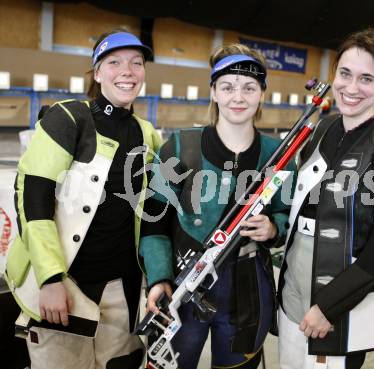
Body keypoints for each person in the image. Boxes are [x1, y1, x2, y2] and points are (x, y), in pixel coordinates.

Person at [5, 30, 162, 369]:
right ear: (98, 72)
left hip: (123, 290)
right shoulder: (69, 118)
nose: (128, 71)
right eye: (115, 62)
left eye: (137, 63)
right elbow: (32, 198)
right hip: (66, 286)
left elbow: (156, 209)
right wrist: (50, 278)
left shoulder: (147, 133)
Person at [278, 29, 374, 369]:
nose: (351, 87)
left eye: (366, 78)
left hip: (339, 312)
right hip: (291, 298)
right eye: (344, 74)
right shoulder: (323, 129)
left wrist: (327, 306)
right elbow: (302, 207)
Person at [140, 44, 296, 369]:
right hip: (185, 282)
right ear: (213, 91)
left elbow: (286, 216)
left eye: (249, 88)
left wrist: (273, 228)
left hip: (248, 288)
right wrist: (158, 278)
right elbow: (154, 223)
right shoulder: (180, 146)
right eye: (227, 87)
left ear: (262, 94)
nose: (238, 97)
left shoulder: (278, 155)